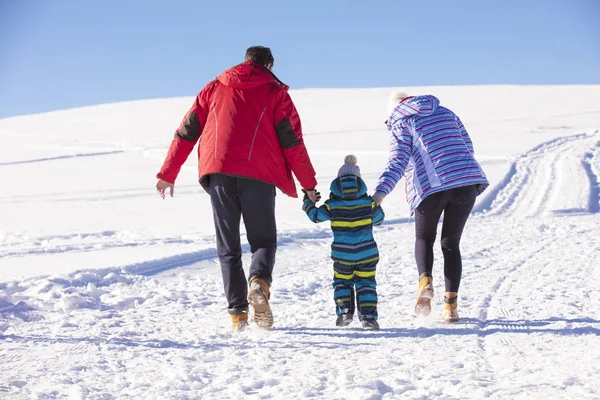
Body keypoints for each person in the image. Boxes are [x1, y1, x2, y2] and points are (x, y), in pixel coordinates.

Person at [155, 46, 319, 331]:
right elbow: (292, 142)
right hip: (260, 175)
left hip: (218, 174)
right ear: (268, 64)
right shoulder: (274, 92)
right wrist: (309, 185)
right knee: (264, 241)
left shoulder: (214, 87)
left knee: (228, 246)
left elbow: (187, 131)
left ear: (245, 61)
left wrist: (168, 172)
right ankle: (259, 283)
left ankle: (238, 316)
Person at [373, 91, 488, 323]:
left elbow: (398, 161)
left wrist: (378, 195)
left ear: (393, 110)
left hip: (431, 187)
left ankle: (425, 281)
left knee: (424, 238)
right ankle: (451, 308)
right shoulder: (446, 112)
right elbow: (467, 146)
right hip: (466, 181)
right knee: (451, 244)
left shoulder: (401, 122)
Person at [302, 155, 385, 330]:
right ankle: (369, 318)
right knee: (366, 283)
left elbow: (315, 217)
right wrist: (375, 205)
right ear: (360, 183)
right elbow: (379, 219)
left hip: (342, 255)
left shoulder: (332, 205)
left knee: (342, 282)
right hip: (367, 254)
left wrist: (307, 203)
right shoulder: (368, 203)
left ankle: (345, 311)